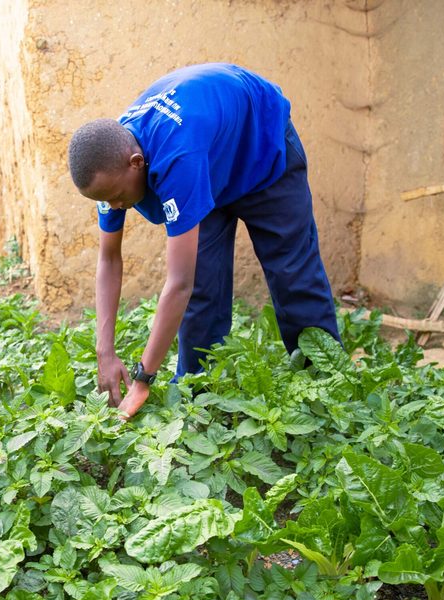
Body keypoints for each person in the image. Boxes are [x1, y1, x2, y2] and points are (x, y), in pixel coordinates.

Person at [67, 63, 340, 419]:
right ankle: (199, 398)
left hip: (260, 146)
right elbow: (109, 259)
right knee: (203, 288)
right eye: (107, 201)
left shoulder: (176, 157)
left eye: (118, 197)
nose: (116, 207)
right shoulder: (107, 162)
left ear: (136, 163)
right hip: (210, 160)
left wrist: (143, 378)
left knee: (291, 272)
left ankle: (325, 386)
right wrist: (104, 350)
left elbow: (178, 284)